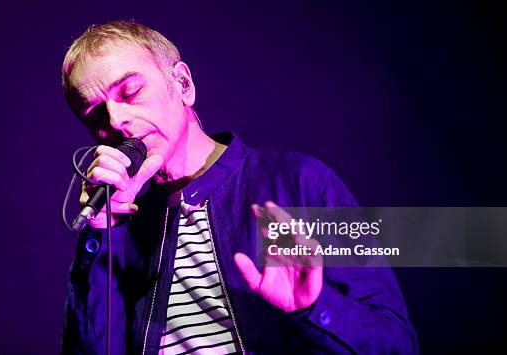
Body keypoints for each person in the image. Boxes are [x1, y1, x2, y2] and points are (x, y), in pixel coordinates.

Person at [60, 20, 418, 354]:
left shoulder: (299, 182)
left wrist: (313, 307)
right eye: (95, 116)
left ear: (183, 84)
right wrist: (104, 234)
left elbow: (397, 342)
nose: (117, 120)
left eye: (131, 90)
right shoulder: (119, 227)